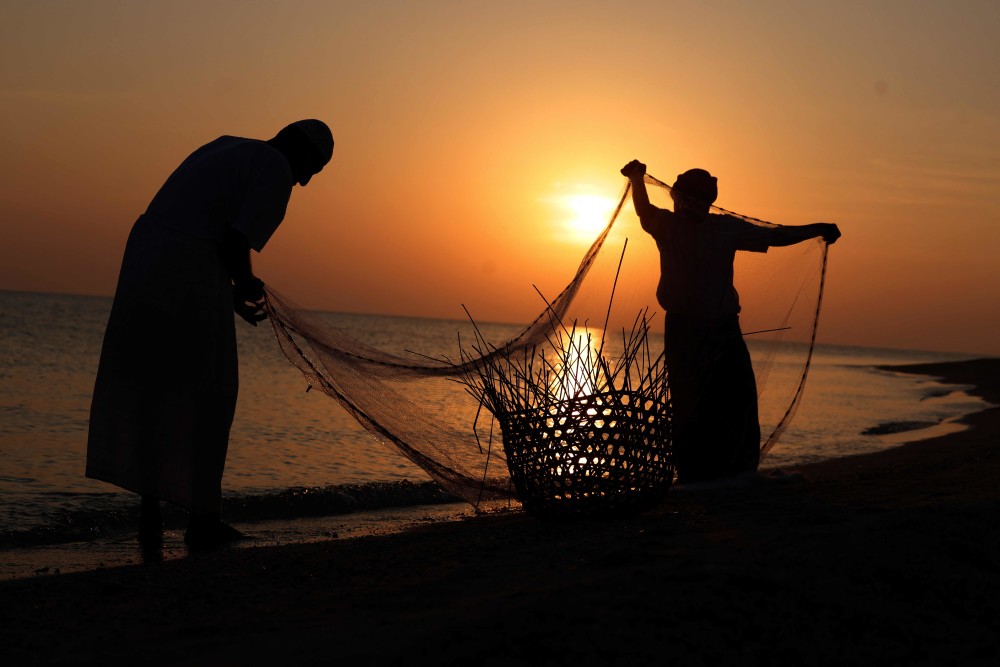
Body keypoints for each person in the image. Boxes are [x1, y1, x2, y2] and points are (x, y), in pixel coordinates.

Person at [87, 119, 334, 548]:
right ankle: (202, 520)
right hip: (186, 266)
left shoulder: (227, 146)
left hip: (145, 259)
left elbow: (205, 226)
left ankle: (152, 517)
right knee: (210, 392)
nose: (307, 181)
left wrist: (231, 291)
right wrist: (246, 284)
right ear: (297, 148)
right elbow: (234, 244)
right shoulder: (275, 167)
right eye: (312, 167)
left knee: (153, 386)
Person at [620, 159, 840, 484]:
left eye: (694, 199)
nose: (685, 205)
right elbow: (642, 210)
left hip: (723, 328)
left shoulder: (724, 228)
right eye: (682, 198)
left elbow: (774, 236)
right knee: (688, 400)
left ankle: (737, 469)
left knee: (736, 396)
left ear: (706, 202)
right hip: (683, 329)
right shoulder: (667, 225)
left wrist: (815, 229)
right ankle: (693, 473)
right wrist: (637, 179)